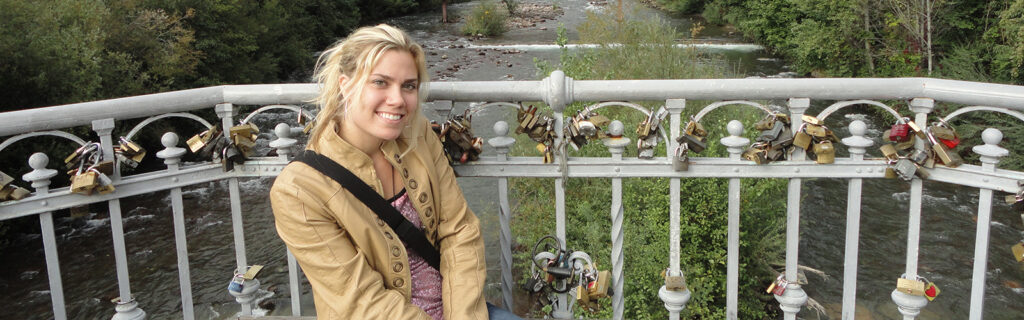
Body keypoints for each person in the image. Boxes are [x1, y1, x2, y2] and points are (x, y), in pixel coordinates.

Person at [270, 24, 520, 320]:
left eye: (408, 86)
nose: (398, 100)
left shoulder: (419, 136)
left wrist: (463, 315)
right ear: (345, 85)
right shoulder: (300, 190)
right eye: (380, 82)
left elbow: (459, 231)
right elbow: (360, 301)